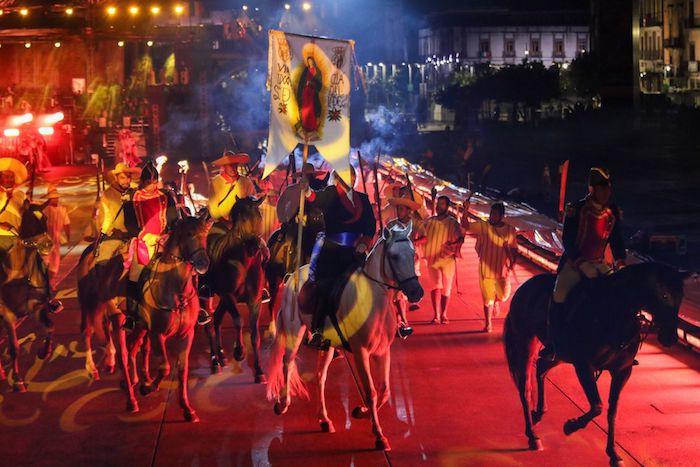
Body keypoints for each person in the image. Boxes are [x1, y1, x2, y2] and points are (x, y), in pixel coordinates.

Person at [539, 167, 626, 360]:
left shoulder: (612, 213)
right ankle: (553, 341)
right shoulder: (576, 209)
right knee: (559, 293)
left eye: (608, 189)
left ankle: (619, 340)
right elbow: (568, 240)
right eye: (602, 189)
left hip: (600, 264)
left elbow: (617, 240)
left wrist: (621, 264)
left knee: (619, 294)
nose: (606, 193)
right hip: (575, 263)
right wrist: (582, 264)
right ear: (592, 189)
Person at [301, 167, 376, 350]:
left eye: (349, 175)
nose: (346, 178)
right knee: (325, 285)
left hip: (356, 250)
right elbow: (314, 198)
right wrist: (305, 189)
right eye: (342, 175)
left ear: (353, 177)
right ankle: (319, 329)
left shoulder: (363, 199)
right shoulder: (330, 193)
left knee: (375, 283)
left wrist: (365, 243)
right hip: (332, 250)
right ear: (336, 177)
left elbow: (370, 226)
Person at [122, 161, 178, 330]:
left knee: (184, 265)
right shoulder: (132, 197)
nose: (152, 186)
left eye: (154, 182)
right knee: (134, 274)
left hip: (165, 239)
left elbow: (173, 218)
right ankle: (132, 314)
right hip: (143, 241)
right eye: (149, 183)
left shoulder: (166, 196)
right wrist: (141, 235)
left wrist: (168, 233)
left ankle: (195, 305)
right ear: (143, 182)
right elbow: (130, 223)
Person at [461, 200, 517, 332]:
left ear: (502, 216)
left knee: (503, 296)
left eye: (496, 214)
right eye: (492, 213)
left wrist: (513, 263)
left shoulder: (510, 230)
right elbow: (465, 225)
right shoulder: (483, 226)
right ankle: (488, 323)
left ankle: (496, 302)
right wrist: (465, 210)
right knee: (487, 299)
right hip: (485, 270)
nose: (492, 216)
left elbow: (514, 249)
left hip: (502, 271)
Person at [386, 193, 426, 338]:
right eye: (398, 209)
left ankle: (403, 321)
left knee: (400, 295)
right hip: (394, 263)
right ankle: (399, 321)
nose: (399, 212)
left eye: (402, 209)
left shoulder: (415, 223)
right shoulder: (391, 225)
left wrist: (413, 243)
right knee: (394, 295)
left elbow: (424, 236)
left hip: (409, 262)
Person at [423, 195, 463, 324]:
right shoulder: (429, 222)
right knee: (435, 286)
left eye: (442, 204)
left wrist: (454, 244)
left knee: (446, 288)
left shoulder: (452, 223)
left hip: (447, 259)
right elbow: (421, 233)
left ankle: (444, 314)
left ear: (447, 206)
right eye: (437, 204)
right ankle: (436, 315)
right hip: (433, 259)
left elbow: (460, 238)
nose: (439, 207)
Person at [207, 151, 255, 221]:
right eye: (230, 165)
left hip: (243, 221)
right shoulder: (215, 182)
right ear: (224, 166)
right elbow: (213, 211)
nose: (233, 168)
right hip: (221, 224)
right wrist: (225, 223)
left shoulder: (246, 181)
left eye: (235, 165)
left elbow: (253, 201)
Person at [43, 186, 71, 290]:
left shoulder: (62, 210)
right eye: (53, 198)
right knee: (45, 260)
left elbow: (67, 225)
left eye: (56, 198)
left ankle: (51, 282)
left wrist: (68, 239)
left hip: (56, 239)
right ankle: (46, 282)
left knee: (55, 262)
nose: (56, 199)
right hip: (45, 239)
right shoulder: (45, 210)